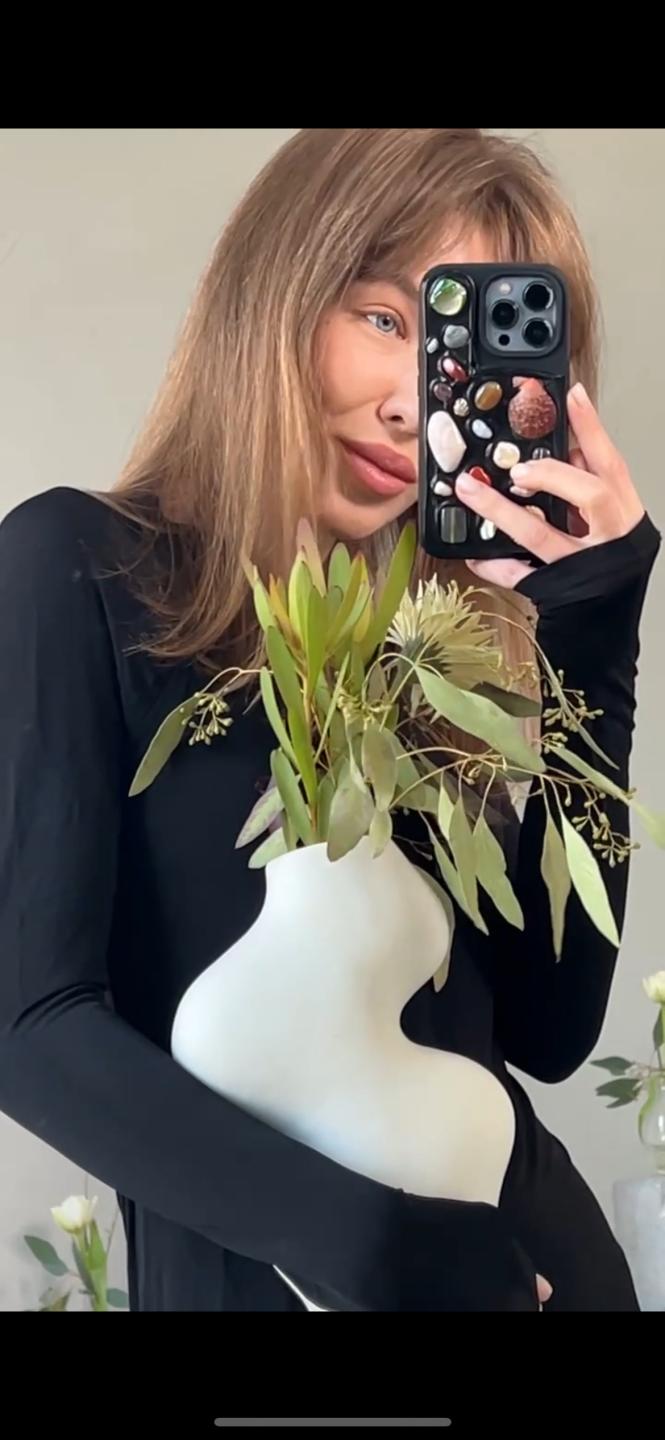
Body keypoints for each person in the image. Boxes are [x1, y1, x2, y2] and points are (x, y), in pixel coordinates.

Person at [0, 127, 659, 1312]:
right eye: (382, 317)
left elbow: (547, 1027)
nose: (412, 405)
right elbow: (28, 1024)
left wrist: (594, 639)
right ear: (278, 288)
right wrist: (385, 1253)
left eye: (452, 352)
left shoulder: (423, 661)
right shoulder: (83, 570)